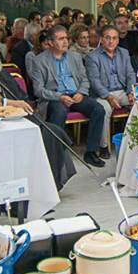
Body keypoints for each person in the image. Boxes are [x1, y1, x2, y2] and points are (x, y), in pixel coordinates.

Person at [0, 26, 78, 189]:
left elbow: (21, 95)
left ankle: (46, 184)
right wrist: (10, 104)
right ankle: (37, 186)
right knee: (49, 133)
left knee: (54, 132)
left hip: (19, 118)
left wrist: (22, 105)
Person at [28, 25, 106, 167]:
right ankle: (57, 154)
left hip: (75, 94)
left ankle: (91, 152)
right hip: (55, 97)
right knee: (59, 112)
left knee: (99, 109)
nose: (65, 42)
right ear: (50, 42)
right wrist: (59, 97)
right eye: (60, 39)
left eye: (66, 38)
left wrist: (81, 92)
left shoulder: (75, 57)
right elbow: (38, 90)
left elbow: (85, 79)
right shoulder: (39, 61)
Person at [86, 25, 136, 157]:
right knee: (104, 109)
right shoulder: (92, 57)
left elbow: (130, 74)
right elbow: (94, 81)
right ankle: (104, 146)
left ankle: (136, 143)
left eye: (114, 38)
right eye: (107, 38)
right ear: (101, 39)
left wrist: (131, 92)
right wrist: (108, 97)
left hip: (122, 91)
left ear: (118, 40)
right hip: (102, 94)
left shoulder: (124, 53)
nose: (111, 41)